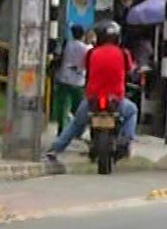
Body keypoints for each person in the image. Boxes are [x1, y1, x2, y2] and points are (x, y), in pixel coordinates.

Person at [46, 19, 138, 162]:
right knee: (132, 110)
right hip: (116, 100)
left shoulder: (91, 53)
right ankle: (125, 140)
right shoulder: (123, 53)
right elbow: (130, 71)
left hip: (92, 99)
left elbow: (85, 68)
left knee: (76, 124)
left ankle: (55, 150)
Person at [53, 24, 90, 132]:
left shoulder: (66, 45)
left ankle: (62, 129)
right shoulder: (86, 48)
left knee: (63, 106)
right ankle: (79, 129)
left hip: (63, 78)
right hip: (78, 81)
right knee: (79, 108)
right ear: (83, 35)